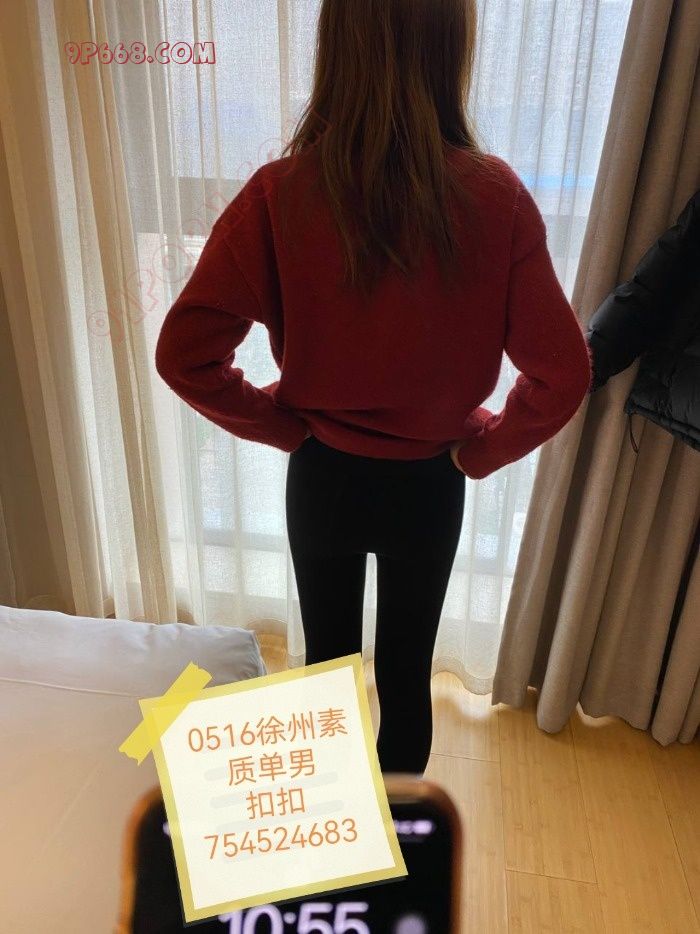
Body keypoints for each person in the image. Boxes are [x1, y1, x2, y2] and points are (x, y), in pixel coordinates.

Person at [154, 0, 592, 776]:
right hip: (430, 485)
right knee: (406, 677)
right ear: (451, 52)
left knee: (324, 668)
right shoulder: (496, 197)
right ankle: (399, 833)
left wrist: (285, 427)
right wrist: (481, 452)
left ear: (335, 49)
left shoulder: (279, 192)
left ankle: (335, 829)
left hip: (323, 477)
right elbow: (563, 375)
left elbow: (184, 355)